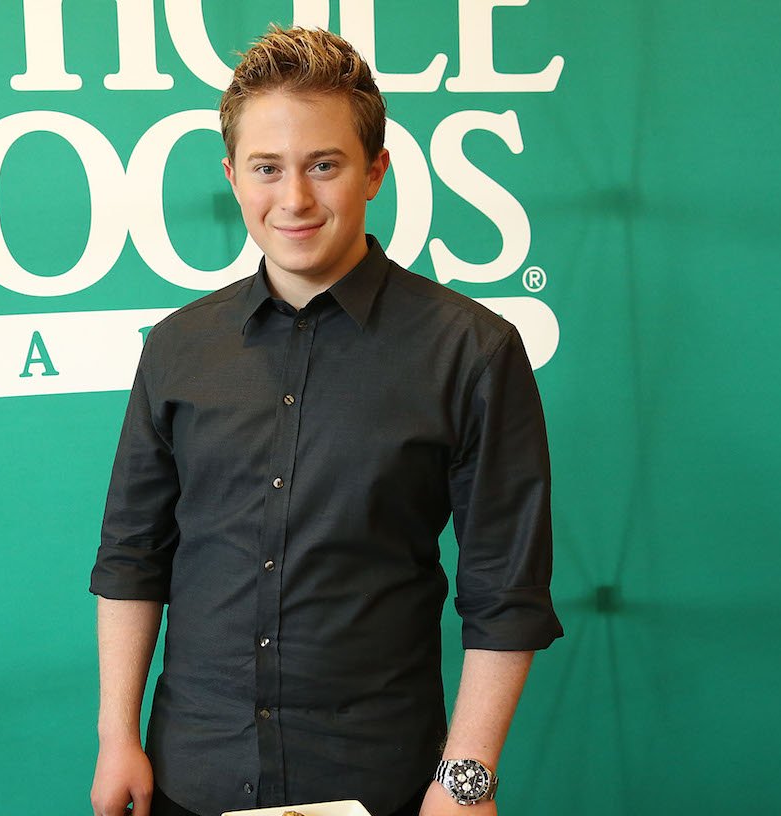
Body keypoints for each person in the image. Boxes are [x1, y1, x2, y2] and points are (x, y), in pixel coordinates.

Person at [89, 25, 561, 816]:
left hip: (382, 785)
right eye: (268, 168)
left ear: (375, 171)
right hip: (189, 777)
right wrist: (117, 737)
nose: (295, 199)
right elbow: (133, 557)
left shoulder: (473, 351)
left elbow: (505, 591)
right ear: (233, 175)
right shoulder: (176, 348)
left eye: (324, 165)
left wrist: (466, 778)